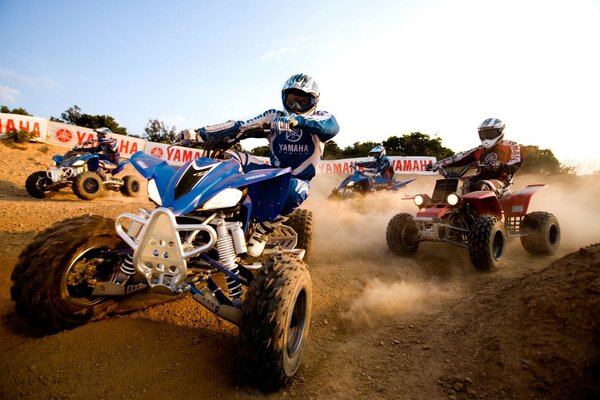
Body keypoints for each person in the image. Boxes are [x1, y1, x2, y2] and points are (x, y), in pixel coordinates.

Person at [179, 73, 339, 256]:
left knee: (295, 190)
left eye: (303, 102)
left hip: (296, 179)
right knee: (226, 157)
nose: (296, 107)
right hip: (272, 172)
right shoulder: (274, 116)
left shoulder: (321, 118)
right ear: (284, 99)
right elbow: (240, 126)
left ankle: (263, 230)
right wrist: (199, 133)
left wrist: (297, 121)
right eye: (292, 100)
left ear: (314, 103)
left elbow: (331, 126)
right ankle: (203, 213)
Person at [428, 118, 522, 194]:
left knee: (481, 185)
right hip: (479, 178)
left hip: (502, 182)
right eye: (484, 134)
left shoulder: (510, 145)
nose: (486, 136)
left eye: (490, 133)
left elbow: (516, 161)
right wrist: (437, 164)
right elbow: (459, 157)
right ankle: (442, 209)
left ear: (500, 132)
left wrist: (500, 165)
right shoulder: (479, 150)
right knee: (453, 183)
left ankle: (483, 215)